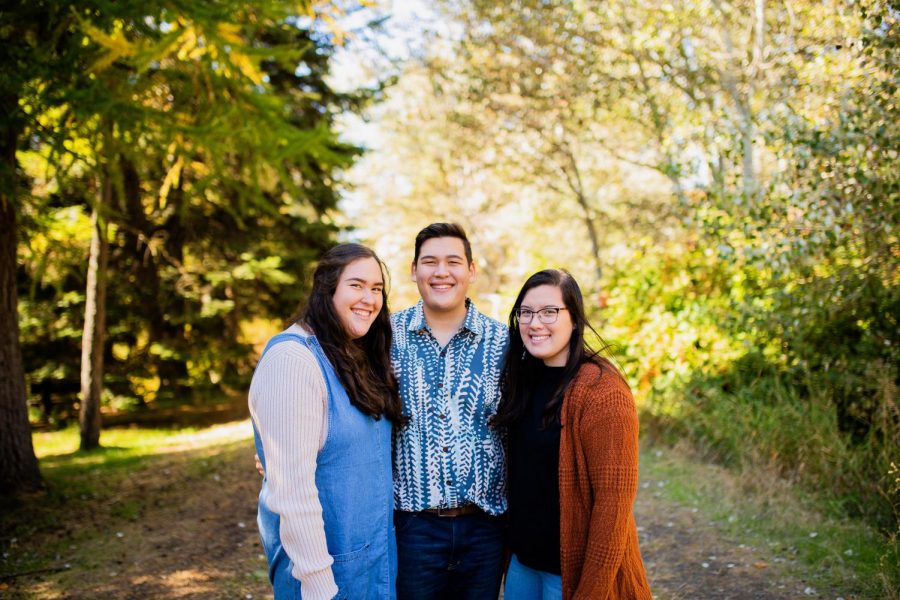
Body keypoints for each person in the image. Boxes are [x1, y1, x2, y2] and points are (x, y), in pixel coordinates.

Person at [249, 243, 402, 600]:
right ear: (326, 287)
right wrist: (319, 588)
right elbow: (292, 493)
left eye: (377, 289)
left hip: (372, 566)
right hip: (322, 578)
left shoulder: (353, 355)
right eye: (356, 285)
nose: (369, 298)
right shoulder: (292, 359)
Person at [494, 269, 652, 600]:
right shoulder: (523, 380)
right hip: (524, 566)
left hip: (570, 575)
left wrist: (593, 591)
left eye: (550, 312)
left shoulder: (602, 391)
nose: (535, 323)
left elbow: (614, 504)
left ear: (575, 319)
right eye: (526, 312)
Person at [390, 223, 509, 599]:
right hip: (412, 527)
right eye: (430, 262)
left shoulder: (505, 342)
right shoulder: (382, 338)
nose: (441, 272)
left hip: (484, 527)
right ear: (413, 271)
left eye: (453, 262)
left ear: (471, 271)